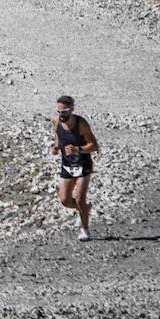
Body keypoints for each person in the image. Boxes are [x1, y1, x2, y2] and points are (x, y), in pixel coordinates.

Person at [52, 95, 99, 241]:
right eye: (59, 111)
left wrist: (77, 149)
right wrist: (56, 147)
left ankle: (85, 230)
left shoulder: (81, 124)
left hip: (83, 164)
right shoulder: (55, 121)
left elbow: (94, 146)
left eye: (64, 111)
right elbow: (58, 136)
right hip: (67, 165)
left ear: (72, 109)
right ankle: (85, 209)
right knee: (65, 200)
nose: (61, 115)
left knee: (79, 198)